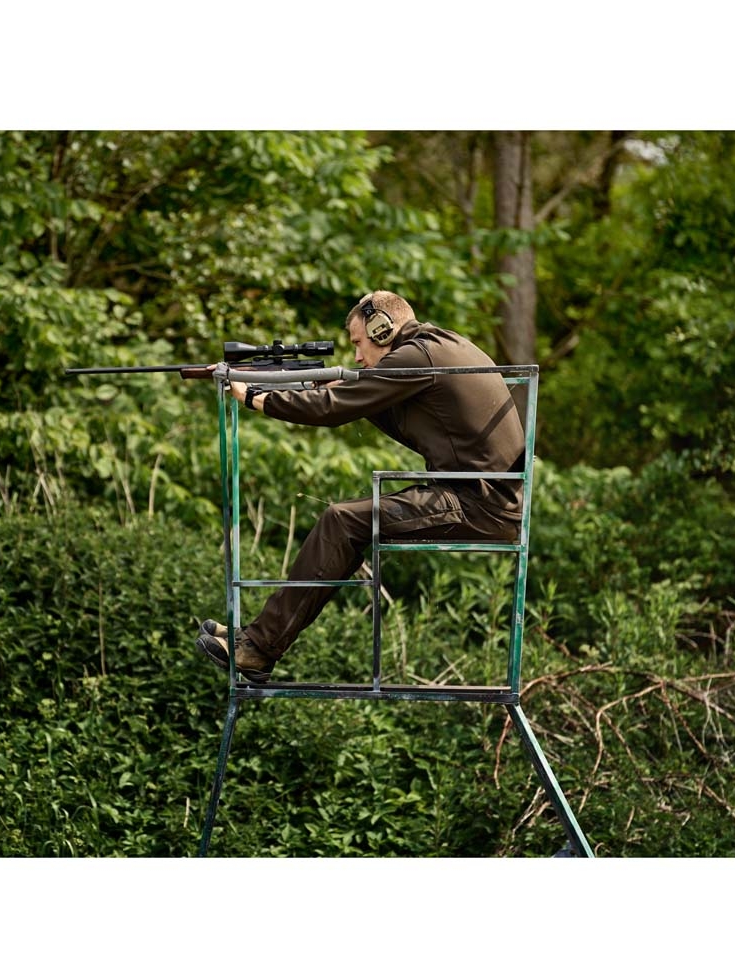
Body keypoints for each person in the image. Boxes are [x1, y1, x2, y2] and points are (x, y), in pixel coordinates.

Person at [196, 289, 526, 683]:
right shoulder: (438, 346)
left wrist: (256, 397)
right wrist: (305, 385)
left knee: (343, 520)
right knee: (347, 521)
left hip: (479, 505)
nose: (356, 356)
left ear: (381, 329)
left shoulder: (416, 356)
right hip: (481, 498)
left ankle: (258, 648)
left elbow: (334, 408)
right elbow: (375, 408)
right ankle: (257, 638)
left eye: (358, 342)